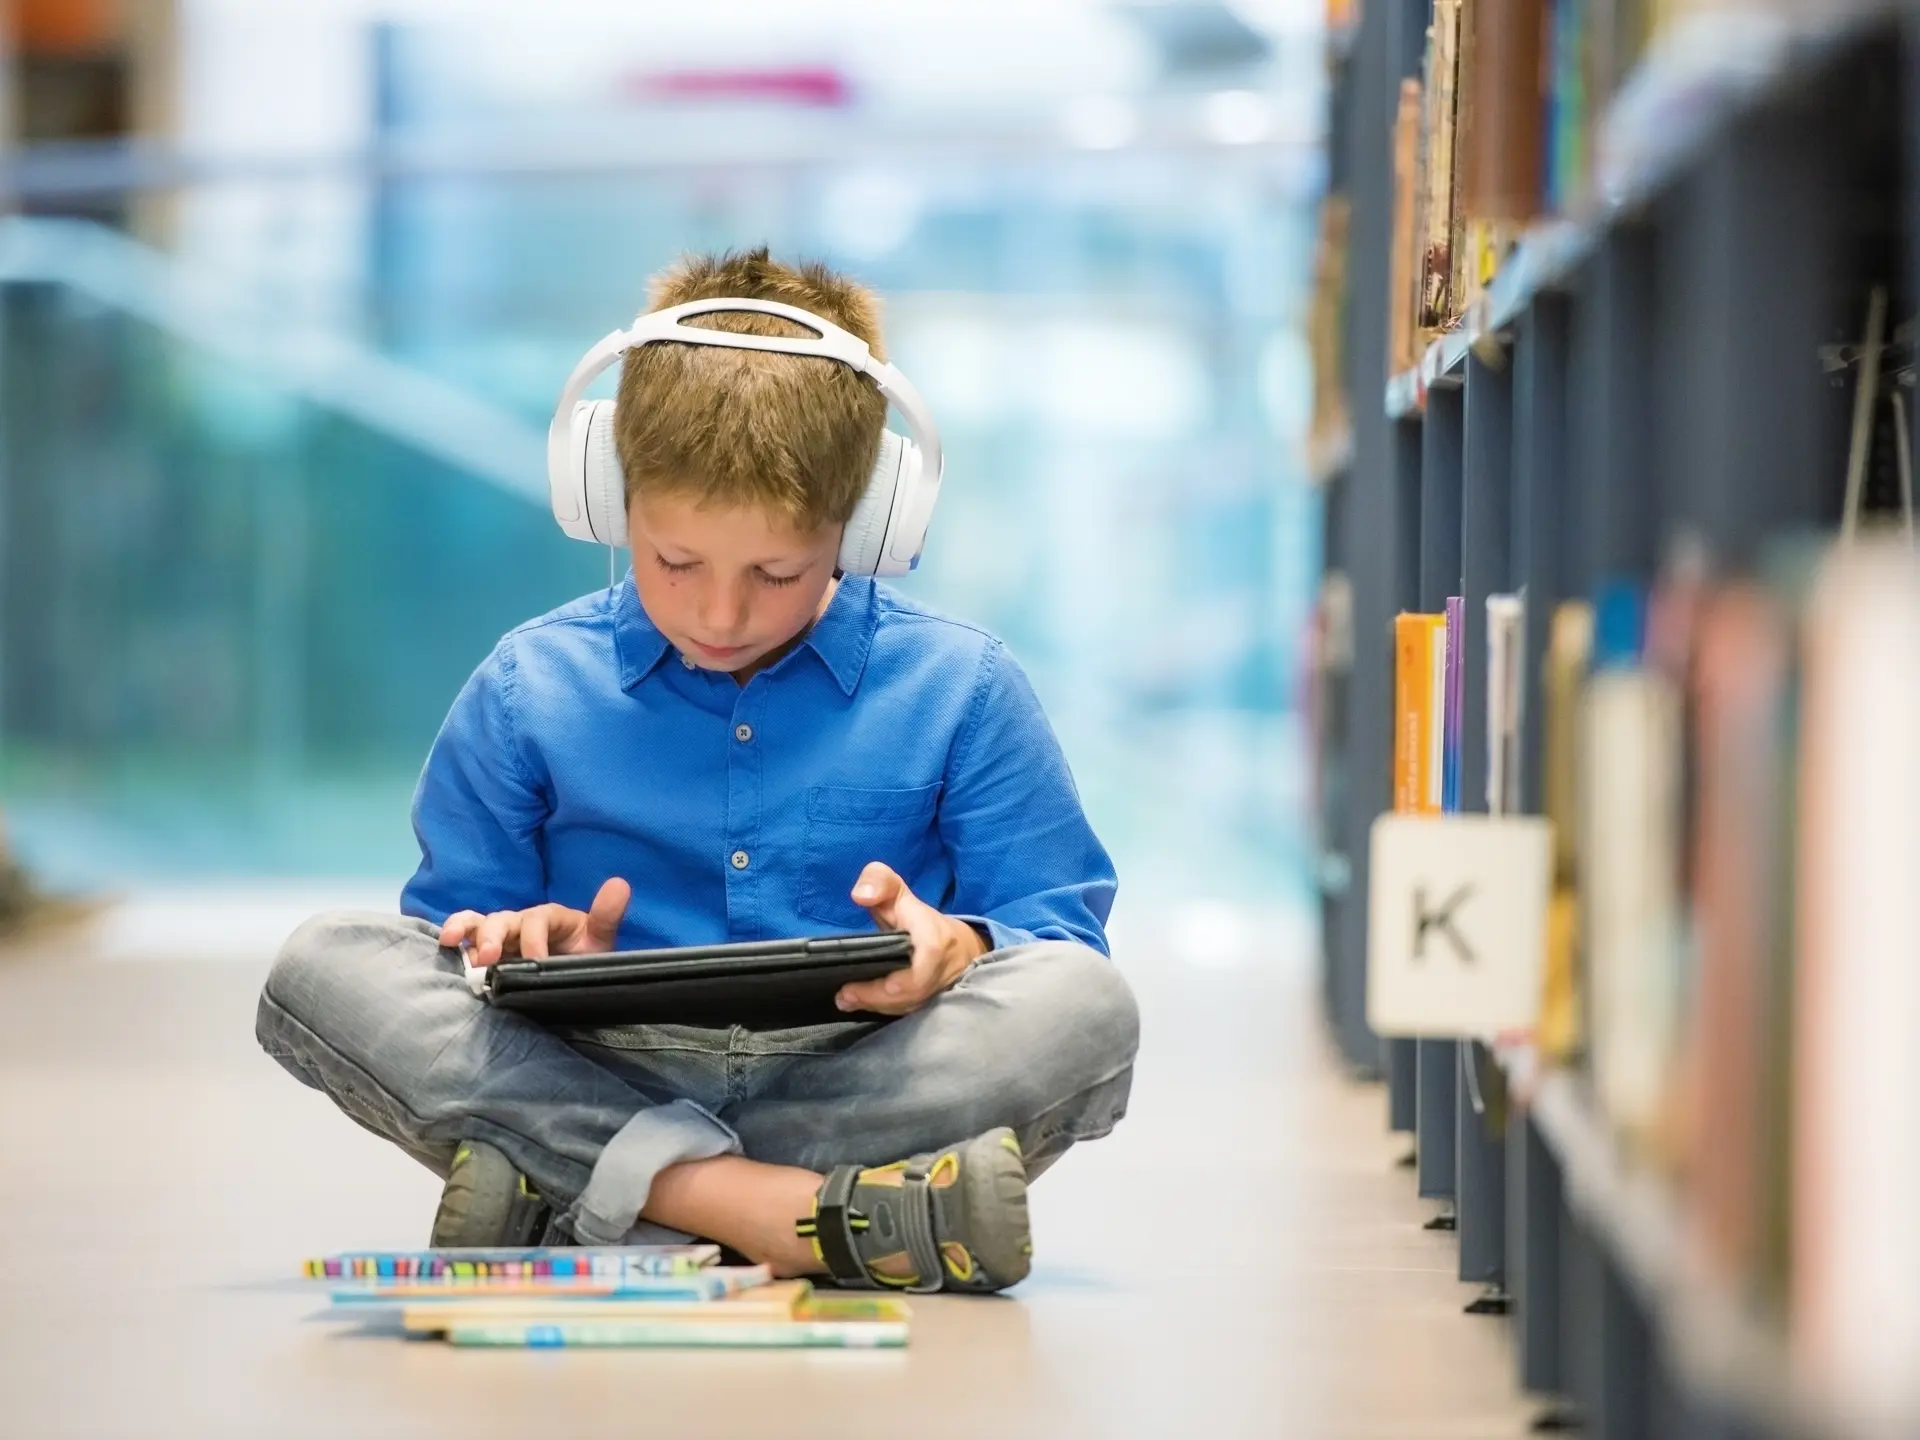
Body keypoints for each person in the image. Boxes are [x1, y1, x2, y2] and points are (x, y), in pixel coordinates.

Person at [256, 248, 1139, 1294]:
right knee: (323, 964)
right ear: (605, 495)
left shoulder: (966, 686)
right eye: (674, 562)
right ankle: (806, 1214)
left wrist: (959, 946)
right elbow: (452, 940)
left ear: (867, 522)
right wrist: (525, 941)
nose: (719, 614)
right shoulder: (525, 687)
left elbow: (1059, 930)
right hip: (594, 1061)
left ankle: (594, 1191)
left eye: (776, 572)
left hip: (861, 1068)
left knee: (1086, 1004)